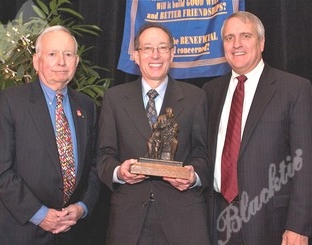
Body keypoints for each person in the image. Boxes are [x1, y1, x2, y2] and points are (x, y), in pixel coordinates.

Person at [0, 25, 101, 244]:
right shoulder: (10, 102)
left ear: (76, 62)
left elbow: (94, 166)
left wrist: (82, 207)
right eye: (52, 54)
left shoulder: (87, 107)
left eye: (68, 54)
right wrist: (40, 215)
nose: (61, 61)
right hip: (21, 231)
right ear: (37, 61)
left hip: (71, 232)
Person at [203, 11, 312, 245]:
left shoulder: (294, 89)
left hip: (271, 223)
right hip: (217, 220)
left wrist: (298, 226)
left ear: (261, 43)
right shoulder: (210, 92)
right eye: (229, 38)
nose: (237, 44)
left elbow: (306, 164)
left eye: (245, 36)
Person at [97, 22, 211, 245]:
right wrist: (119, 171)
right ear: (136, 56)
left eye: (162, 48)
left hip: (183, 219)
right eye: (147, 48)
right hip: (129, 223)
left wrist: (193, 176)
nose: (155, 55)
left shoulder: (196, 97)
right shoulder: (114, 98)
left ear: (172, 54)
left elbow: (203, 153)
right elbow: (103, 155)